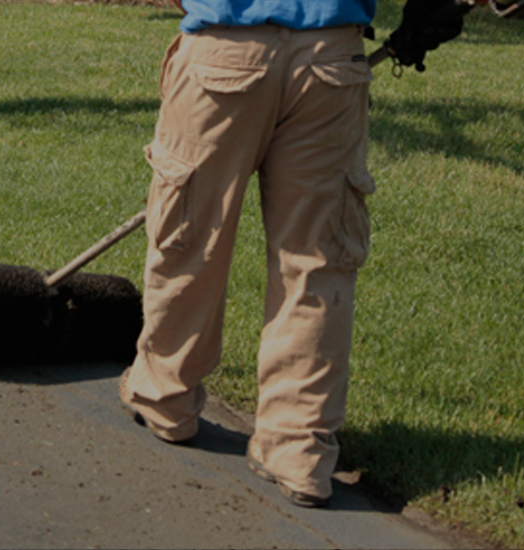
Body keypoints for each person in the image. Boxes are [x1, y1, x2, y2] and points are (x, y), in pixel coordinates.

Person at [118, 0, 473, 508]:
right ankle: (298, 449)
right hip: (330, 60)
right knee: (316, 258)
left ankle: (164, 396)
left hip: (226, 46)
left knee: (191, 236)